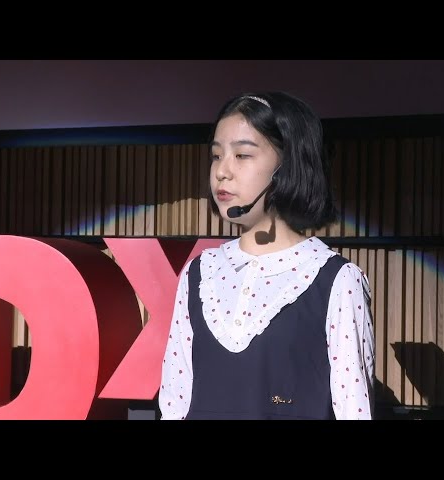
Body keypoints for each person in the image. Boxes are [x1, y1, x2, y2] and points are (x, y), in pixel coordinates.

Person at [158, 91, 376, 420]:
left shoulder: (336, 280)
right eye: (216, 155)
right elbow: (174, 403)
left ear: (288, 167)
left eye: (242, 155)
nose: (222, 171)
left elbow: (354, 411)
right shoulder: (199, 274)